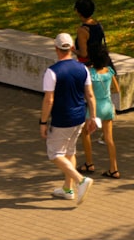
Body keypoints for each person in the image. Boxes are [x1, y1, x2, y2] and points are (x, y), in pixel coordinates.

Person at [39, 32, 98, 205]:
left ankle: (81, 180)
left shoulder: (52, 72)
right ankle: (67, 188)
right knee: (69, 151)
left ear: (56, 48)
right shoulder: (83, 69)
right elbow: (90, 95)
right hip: (79, 117)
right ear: (72, 48)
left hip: (62, 119)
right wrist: (92, 117)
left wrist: (43, 122)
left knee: (55, 154)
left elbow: (49, 99)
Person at [73, 0, 113, 170]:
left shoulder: (82, 30)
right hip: (102, 65)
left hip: (88, 68)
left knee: (86, 118)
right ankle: (112, 163)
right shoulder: (99, 25)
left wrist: (70, 49)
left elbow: (83, 52)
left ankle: (89, 162)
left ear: (79, 12)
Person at [88, 46, 121, 178]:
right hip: (107, 105)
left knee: (86, 133)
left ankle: (89, 163)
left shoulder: (90, 73)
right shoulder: (110, 71)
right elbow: (117, 89)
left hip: (95, 107)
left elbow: (88, 92)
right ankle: (114, 168)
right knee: (108, 138)